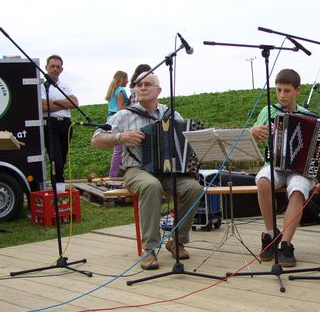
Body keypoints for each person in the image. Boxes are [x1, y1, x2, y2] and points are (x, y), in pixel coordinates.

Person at [91, 72, 202, 270]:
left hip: (168, 172)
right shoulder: (124, 115)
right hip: (136, 170)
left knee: (194, 188)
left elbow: (188, 141)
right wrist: (120, 137)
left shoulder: (171, 114)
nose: (142, 87)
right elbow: (96, 139)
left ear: (158, 90)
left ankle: (176, 241)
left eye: (148, 84)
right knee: (151, 185)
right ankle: (150, 248)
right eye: (139, 84)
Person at [251, 68, 320, 267]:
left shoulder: (310, 117)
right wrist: (253, 132)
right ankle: (271, 234)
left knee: (297, 190)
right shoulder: (268, 112)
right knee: (262, 182)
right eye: (278, 90)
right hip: (274, 164)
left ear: (297, 90)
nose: (282, 95)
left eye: (287, 90)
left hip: (301, 168)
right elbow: (255, 139)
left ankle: (285, 244)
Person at [41, 54, 79, 184]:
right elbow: (44, 106)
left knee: (62, 157)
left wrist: (54, 102)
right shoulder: (42, 85)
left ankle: (59, 185)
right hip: (50, 124)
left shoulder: (65, 85)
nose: (55, 69)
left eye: (58, 67)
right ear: (46, 67)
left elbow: (74, 103)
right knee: (55, 158)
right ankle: (57, 185)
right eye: (52, 66)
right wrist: (64, 102)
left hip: (66, 124)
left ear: (61, 69)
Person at [106, 70, 130, 177]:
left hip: (111, 119)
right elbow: (120, 108)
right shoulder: (120, 90)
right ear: (122, 79)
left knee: (119, 147)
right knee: (118, 149)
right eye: (126, 79)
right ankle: (113, 175)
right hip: (118, 119)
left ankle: (119, 169)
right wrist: (132, 108)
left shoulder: (112, 91)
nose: (128, 81)